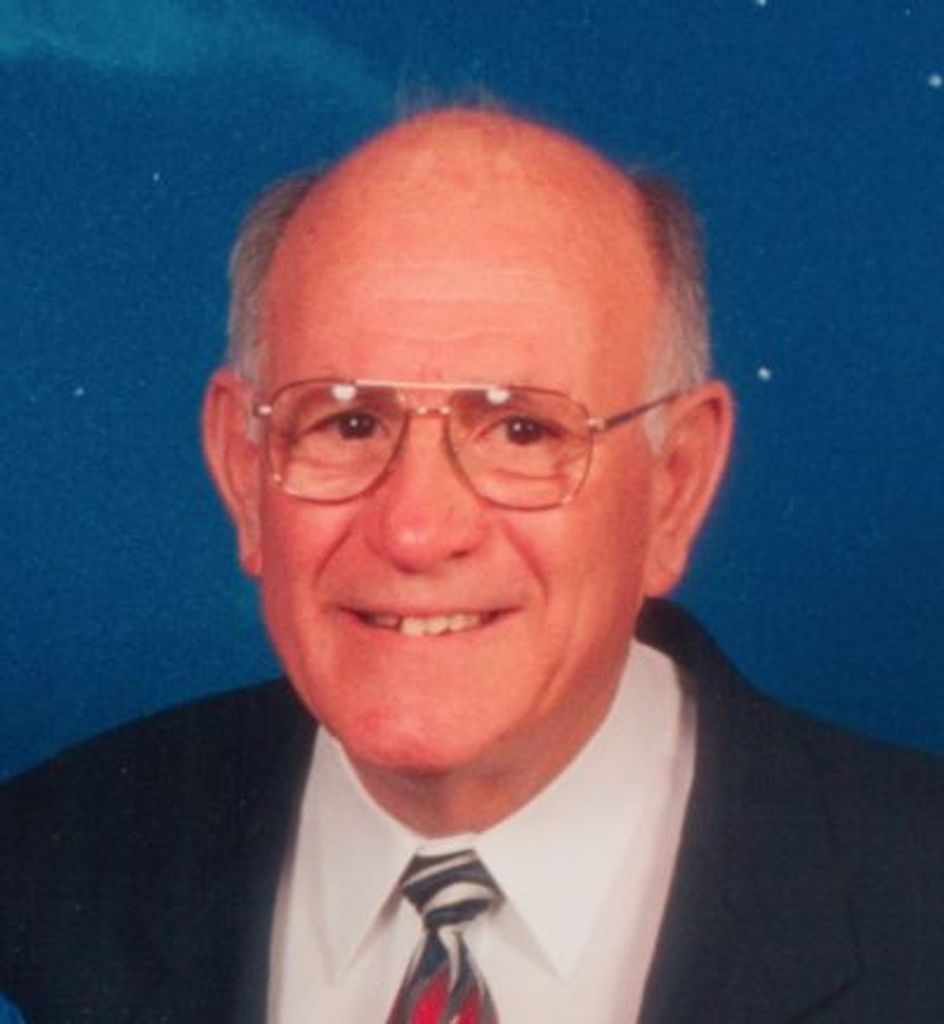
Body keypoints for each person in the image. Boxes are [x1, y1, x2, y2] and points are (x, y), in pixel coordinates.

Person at [2, 105, 942, 1024]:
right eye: (349, 422)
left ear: (675, 486)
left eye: (522, 431)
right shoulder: (35, 877)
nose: (416, 530)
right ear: (245, 471)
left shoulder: (919, 899)